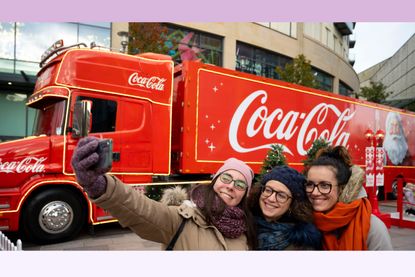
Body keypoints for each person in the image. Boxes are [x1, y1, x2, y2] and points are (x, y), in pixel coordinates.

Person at [71, 136, 256, 250]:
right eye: (226, 178)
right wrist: (100, 185)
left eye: (240, 184)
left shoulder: (247, 230)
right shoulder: (182, 218)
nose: (231, 186)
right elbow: (140, 209)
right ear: (214, 181)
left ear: (245, 194)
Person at [304, 145, 393, 250]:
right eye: (310, 184)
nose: (314, 192)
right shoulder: (303, 222)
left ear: (341, 188)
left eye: (324, 185)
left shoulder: (373, 228)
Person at [248, 165, 322, 250]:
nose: (271, 199)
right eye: (268, 190)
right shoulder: (244, 225)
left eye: (281, 196)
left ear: (293, 204)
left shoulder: (302, 244)